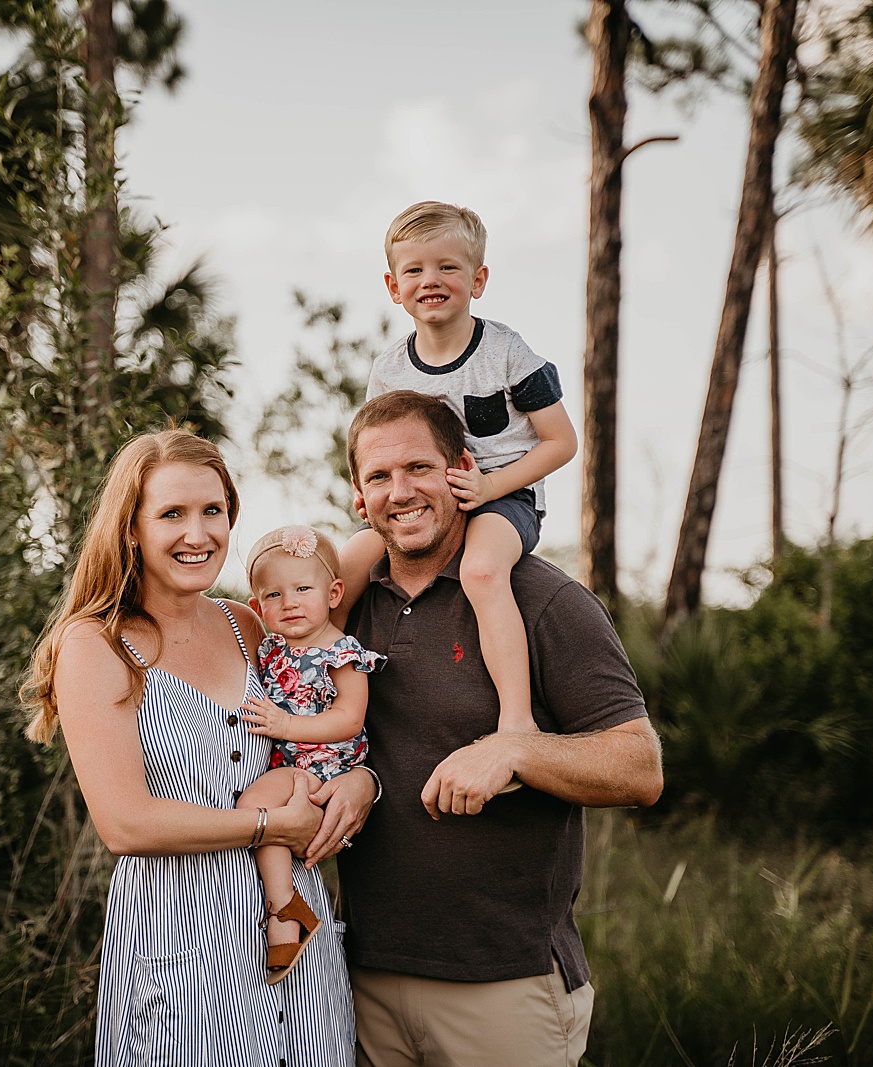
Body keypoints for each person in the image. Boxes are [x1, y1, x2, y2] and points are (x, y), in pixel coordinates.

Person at [336, 390, 664, 1067]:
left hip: (505, 986)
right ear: (358, 495)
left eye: (419, 468)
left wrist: (513, 748)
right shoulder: (341, 610)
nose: (401, 491)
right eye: (379, 476)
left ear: (461, 468)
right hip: (361, 977)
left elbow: (640, 767)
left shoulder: (543, 600)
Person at [20, 430, 363, 1066]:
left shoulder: (248, 624)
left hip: (291, 926)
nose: (197, 533)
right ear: (131, 529)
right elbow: (125, 823)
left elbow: (322, 720)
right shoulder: (96, 645)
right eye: (171, 514)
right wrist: (269, 824)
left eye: (213, 510)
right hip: (183, 949)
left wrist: (360, 784)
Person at [338, 200, 578, 741]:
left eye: (448, 267)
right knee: (345, 567)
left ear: (479, 278)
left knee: (481, 572)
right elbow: (374, 445)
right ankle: (306, 694)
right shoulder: (390, 368)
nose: (432, 280)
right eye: (415, 270)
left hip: (501, 497)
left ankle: (517, 723)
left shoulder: (507, 352)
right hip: (418, 499)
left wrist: (490, 485)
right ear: (393, 286)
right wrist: (366, 490)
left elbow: (562, 442)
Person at [234, 525, 385, 984]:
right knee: (265, 818)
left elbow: (349, 719)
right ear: (258, 607)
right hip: (292, 763)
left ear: (334, 592)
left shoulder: (341, 653)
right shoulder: (270, 649)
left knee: (252, 808)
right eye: (274, 595)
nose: (290, 602)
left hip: (327, 766)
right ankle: (289, 906)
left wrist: (286, 726)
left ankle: (283, 909)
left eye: (303, 589)